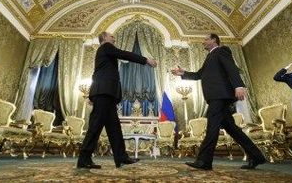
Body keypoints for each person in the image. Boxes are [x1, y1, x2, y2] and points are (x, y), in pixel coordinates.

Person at [171, 33, 265, 170]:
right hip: (215, 97)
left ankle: (204, 161)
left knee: (212, 127)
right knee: (233, 129)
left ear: (214, 40)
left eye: (206, 39)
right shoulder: (210, 56)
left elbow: (231, 67)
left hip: (220, 96)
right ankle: (256, 156)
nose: (203, 42)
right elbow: (199, 74)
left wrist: (239, 85)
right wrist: (183, 73)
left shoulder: (222, 50)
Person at [77, 32, 157, 169]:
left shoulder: (104, 52)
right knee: (95, 127)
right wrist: (146, 60)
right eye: (111, 36)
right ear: (104, 38)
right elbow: (124, 54)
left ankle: (121, 157)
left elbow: (96, 73)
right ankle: (84, 159)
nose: (114, 38)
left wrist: (92, 93)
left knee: (114, 128)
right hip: (104, 93)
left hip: (106, 94)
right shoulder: (106, 46)